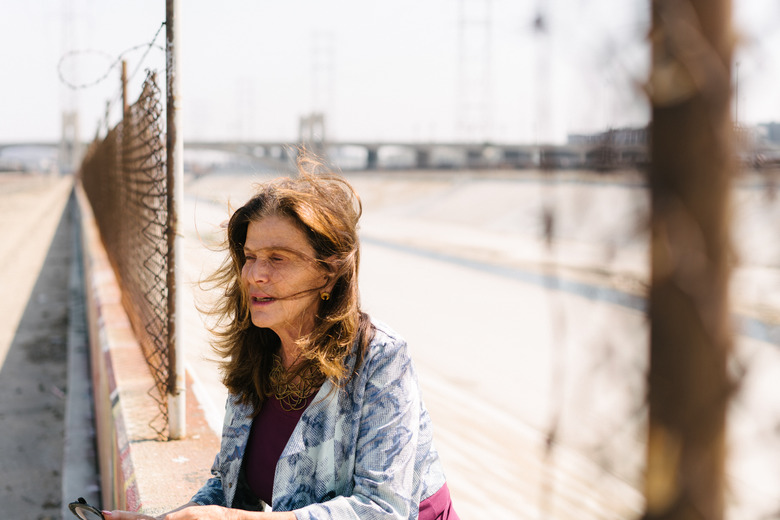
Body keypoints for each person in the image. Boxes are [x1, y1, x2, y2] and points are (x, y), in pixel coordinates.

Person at [106, 158, 459, 520]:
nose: (255, 275)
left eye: (278, 258)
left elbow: (383, 510)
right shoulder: (257, 351)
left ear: (327, 274)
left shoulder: (380, 357)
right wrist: (168, 518)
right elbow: (231, 488)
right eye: (250, 257)